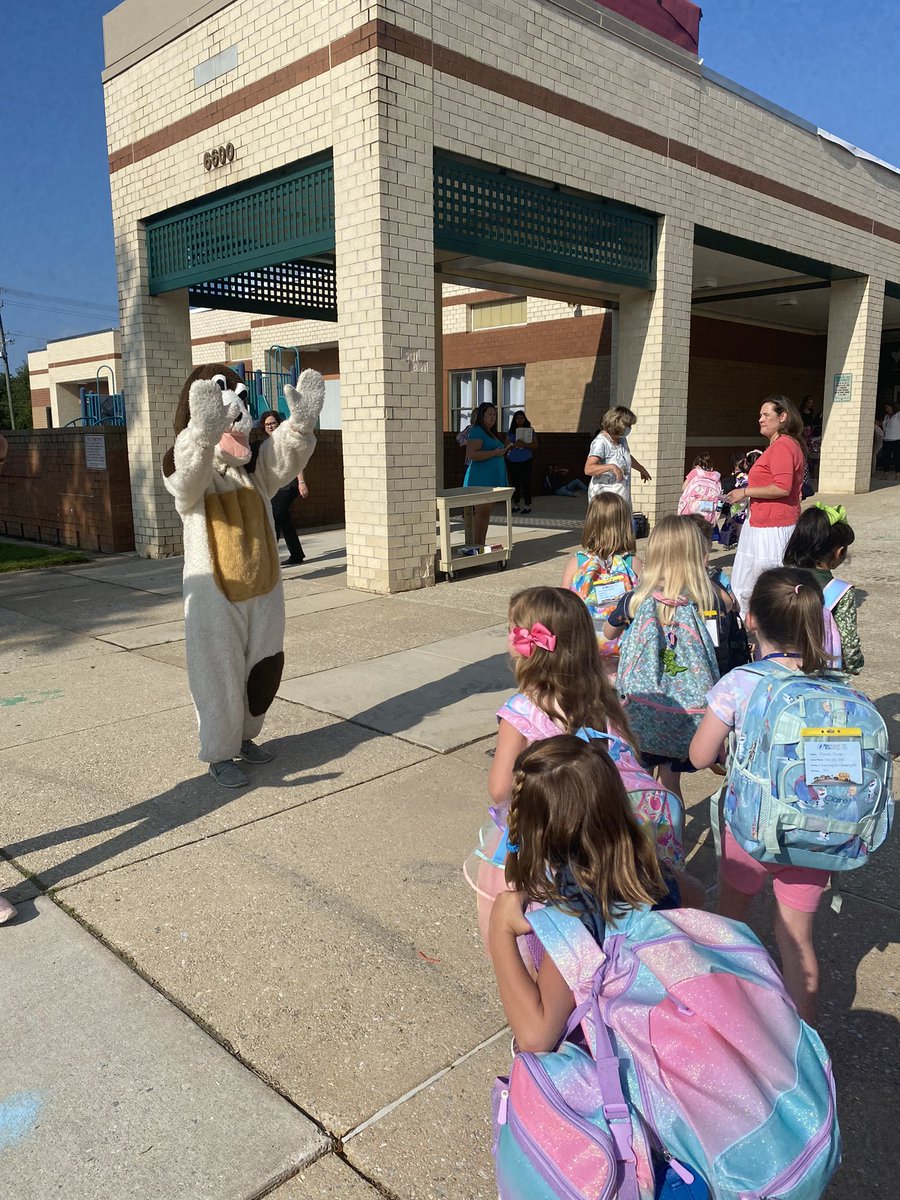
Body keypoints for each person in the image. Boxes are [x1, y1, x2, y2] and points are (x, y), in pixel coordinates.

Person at [689, 568, 834, 1022]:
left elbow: (698, 755)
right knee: (797, 940)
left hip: (750, 829)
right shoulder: (833, 683)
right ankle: (803, 1039)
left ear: (751, 619)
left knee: (730, 926)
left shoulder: (740, 682)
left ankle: (728, 1020)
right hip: (814, 833)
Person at [489, 736, 674, 1054]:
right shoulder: (649, 872)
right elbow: (696, 896)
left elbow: (537, 1037)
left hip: (614, 1070)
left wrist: (500, 932)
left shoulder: (575, 908)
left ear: (537, 829)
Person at [603, 516, 731, 799]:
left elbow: (609, 632)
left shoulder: (635, 599)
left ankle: (641, 838)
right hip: (686, 715)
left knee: (638, 782)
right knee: (671, 785)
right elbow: (721, 652)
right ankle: (674, 842)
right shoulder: (710, 602)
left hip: (642, 710)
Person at [725, 396, 806, 616]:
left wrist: (745, 491)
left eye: (766, 415)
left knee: (769, 582)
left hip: (772, 526)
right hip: (763, 521)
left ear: (783, 417)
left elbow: (782, 487)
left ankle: (768, 630)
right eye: (760, 415)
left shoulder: (783, 446)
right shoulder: (779, 446)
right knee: (756, 580)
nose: (760, 419)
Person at [561, 492, 641, 669]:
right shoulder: (632, 563)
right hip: (624, 648)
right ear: (625, 525)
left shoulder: (577, 563)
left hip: (586, 647)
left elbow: (563, 605)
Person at [783, 503, 863, 674]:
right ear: (839, 552)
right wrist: (855, 665)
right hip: (822, 674)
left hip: (780, 669)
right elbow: (849, 642)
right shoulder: (841, 592)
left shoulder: (780, 581)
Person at [253, 410, 309, 566]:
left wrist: (301, 482)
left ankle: (269, 558)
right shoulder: (266, 444)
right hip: (276, 486)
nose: (270, 426)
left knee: (275, 516)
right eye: (267, 424)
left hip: (289, 485)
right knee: (284, 520)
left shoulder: (286, 440)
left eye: (273, 423)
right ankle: (296, 554)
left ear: (279, 424)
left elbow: (298, 462)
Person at [463, 401, 510, 548]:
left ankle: (480, 545)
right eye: (489, 414)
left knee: (486, 514)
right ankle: (477, 546)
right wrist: (494, 453)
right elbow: (471, 454)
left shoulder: (491, 433)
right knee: (481, 513)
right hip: (481, 479)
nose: (492, 416)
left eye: (494, 414)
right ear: (481, 415)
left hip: (491, 479)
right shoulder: (477, 431)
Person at [584, 406, 651, 504]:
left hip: (622, 496)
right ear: (617, 424)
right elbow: (589, 469)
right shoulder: (601, 442)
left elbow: (625, 457)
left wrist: (641, 468)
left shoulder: (622, 440)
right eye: (627, 425)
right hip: (606, 500)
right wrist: (611, 467)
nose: (629, 428)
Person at [506, 410, 537, 513]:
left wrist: (524, 444)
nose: (520, 420)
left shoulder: (530, 430)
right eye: (517, 418)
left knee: (526, 482)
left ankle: (528, 505)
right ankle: (516, 504)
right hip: (512, 460)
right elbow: (506, 446)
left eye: (521, 418)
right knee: (515, 483)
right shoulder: (510, 432)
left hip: (526, 460)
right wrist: (514, 444)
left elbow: (535, 445)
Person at [676, 453, 722, 524]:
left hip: (691, 514)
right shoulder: (716, 476)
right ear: (712, 467)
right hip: (709, 514)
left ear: (696, 465)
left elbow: (684, 488)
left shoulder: (695, 472)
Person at [881, 402, 900, 478]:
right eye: (886, 408)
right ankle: (885, 473)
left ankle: (898, 474)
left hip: (897, 439)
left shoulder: (898, 415)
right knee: (886, 457)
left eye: (888, 407)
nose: (887, 409)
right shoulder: (886, 416)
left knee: (897, 457)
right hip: (886, 439)